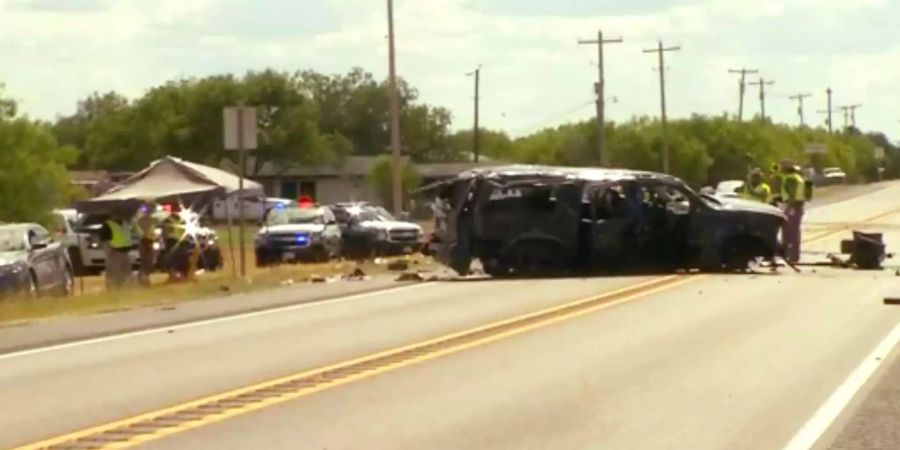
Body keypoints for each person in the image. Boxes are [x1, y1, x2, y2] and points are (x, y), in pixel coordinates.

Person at [99, 210, 135, 290]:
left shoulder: (124, 223)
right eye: (116, 213)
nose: (118, 215)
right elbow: (104, 240)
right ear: (111, 215)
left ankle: (123, 289)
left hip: (125, 251)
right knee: (114, 273)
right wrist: (109, 251)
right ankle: (113, 289)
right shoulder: (107, 225)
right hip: (114, 252)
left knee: (126, 273)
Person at [781, 165, 807, 263]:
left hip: (792, 207)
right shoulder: (799, 178)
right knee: (795, 232)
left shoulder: (791, 179)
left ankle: (789, 255)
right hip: (798, 206)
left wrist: (787, 209)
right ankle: (794, 255)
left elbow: (791, 194)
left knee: (789, 232)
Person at [134, 203, 158, 287]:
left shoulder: (144, 220)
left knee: (147, 261)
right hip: (146, 241)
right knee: (147, 261)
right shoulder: (147, 220)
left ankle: (143, 277)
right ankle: (143, 278)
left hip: (148, 241)